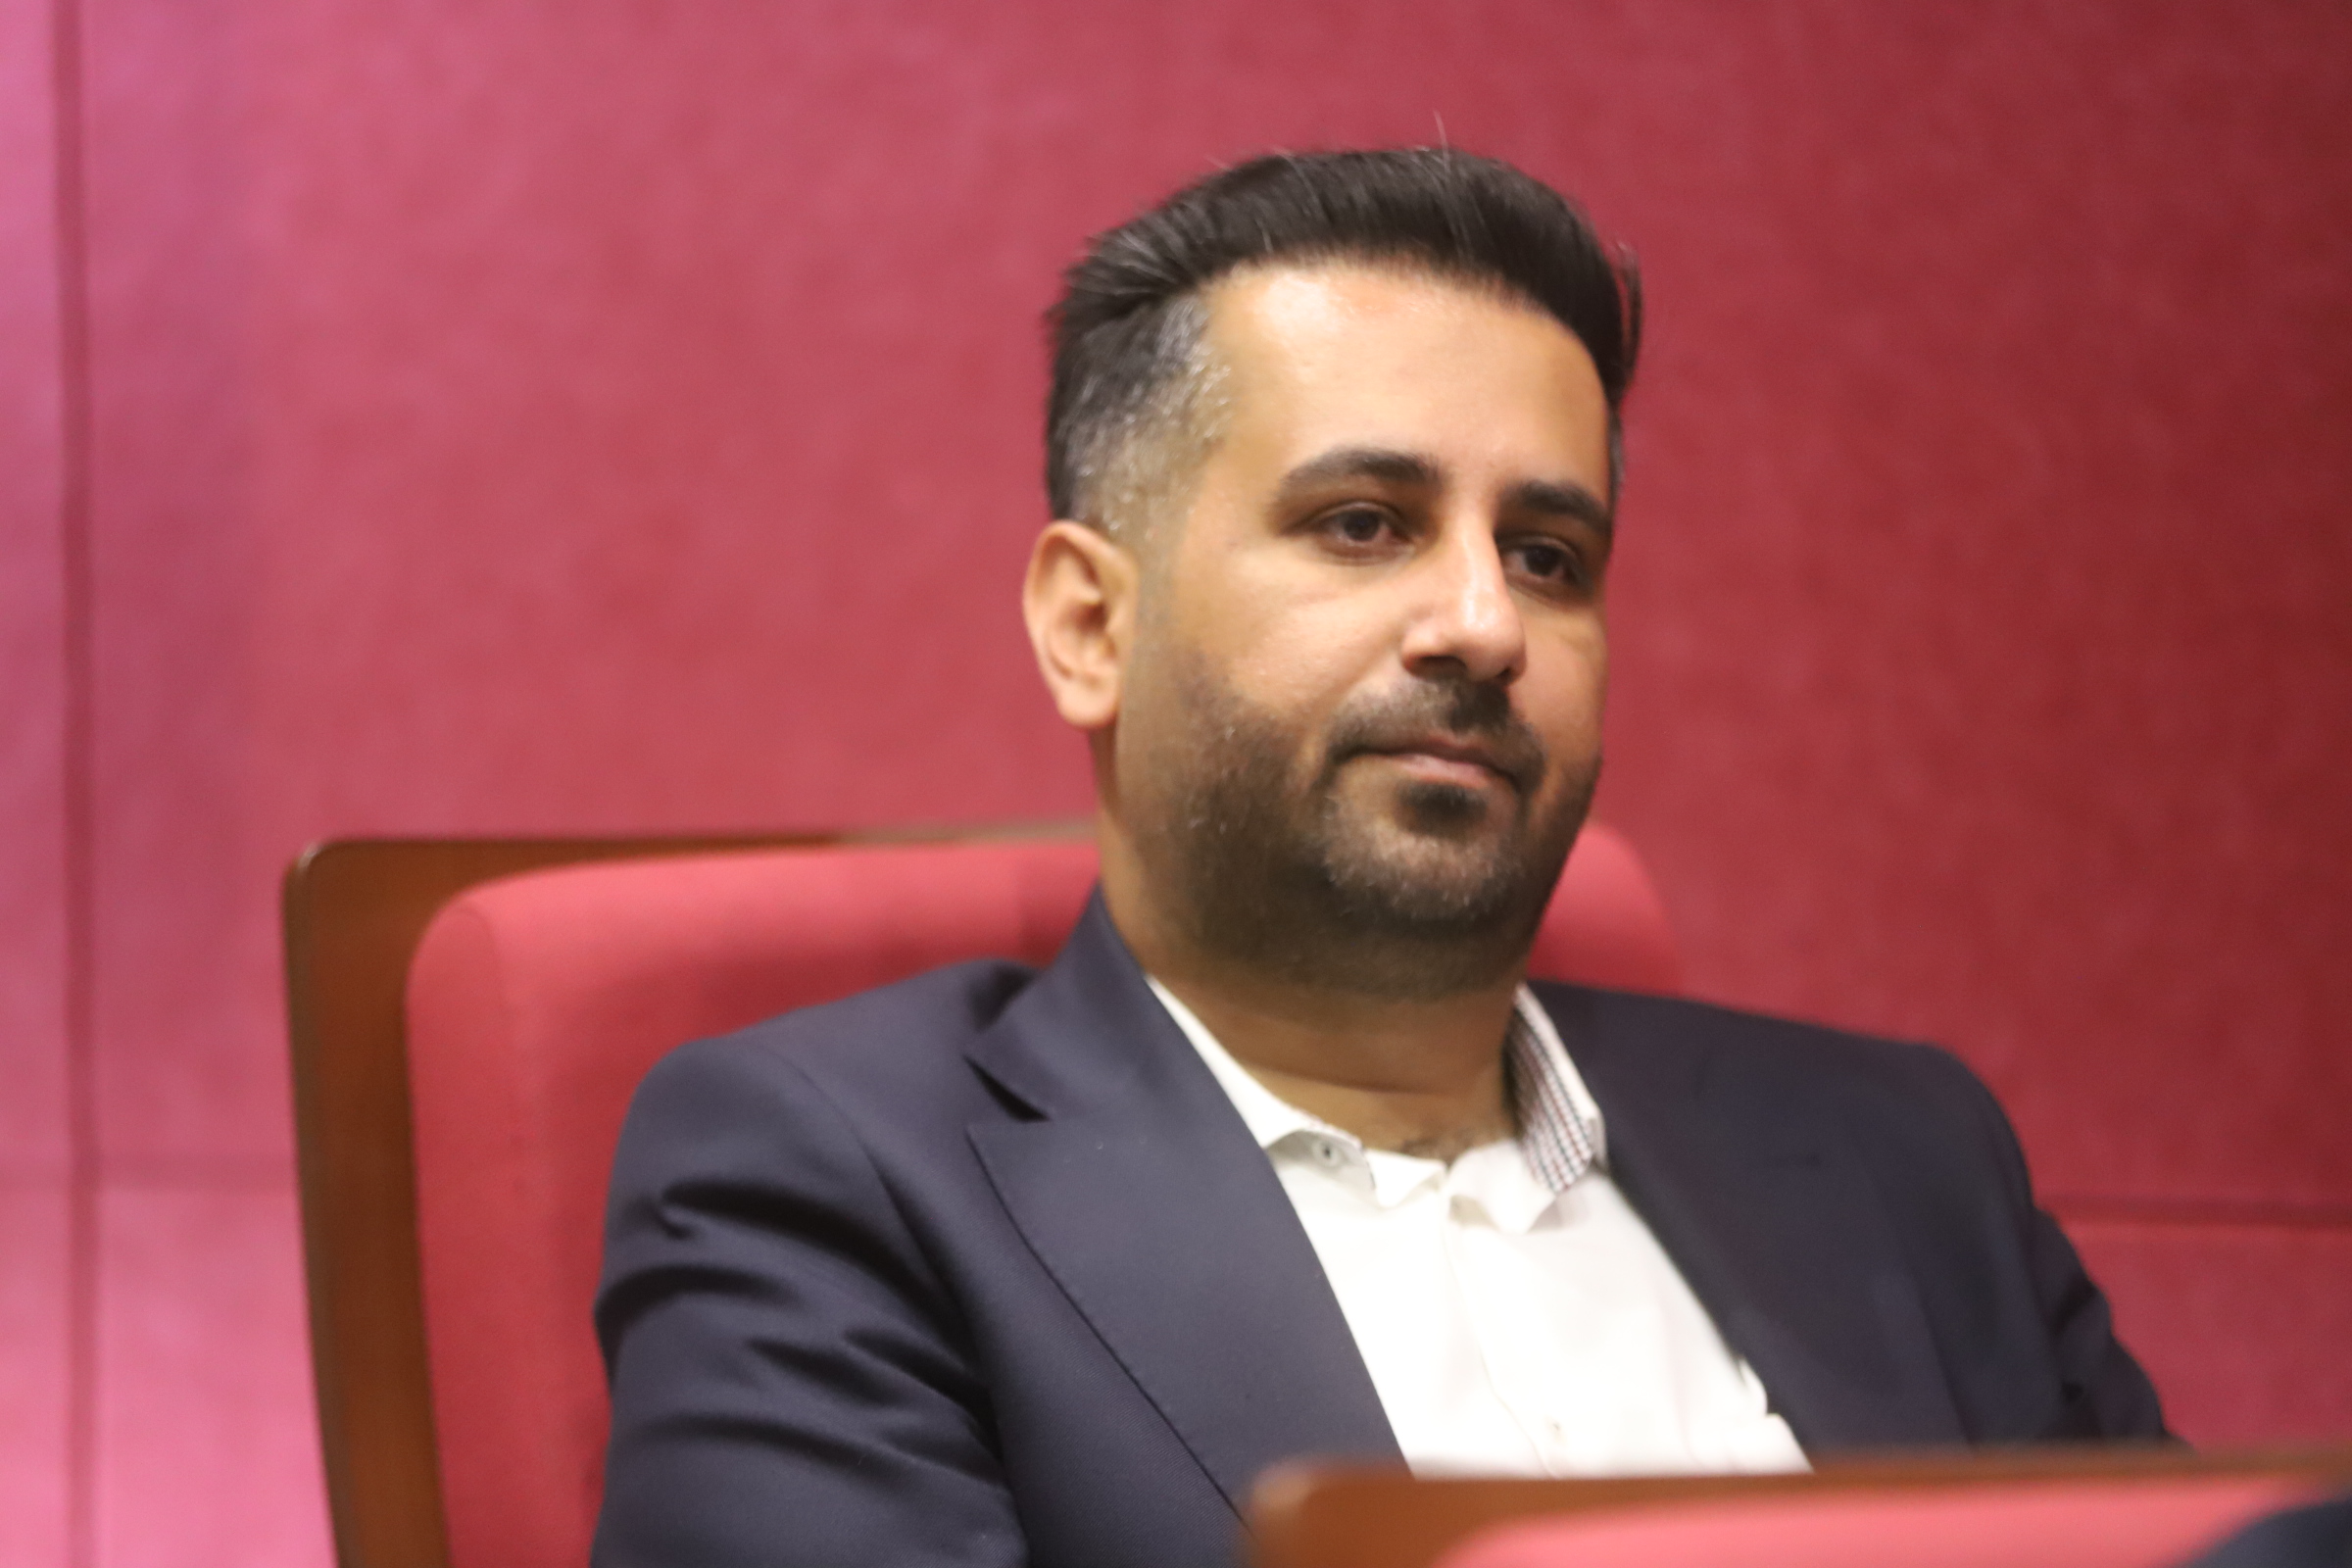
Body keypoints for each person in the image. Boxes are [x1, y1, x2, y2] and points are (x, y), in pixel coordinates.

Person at [591, 149, 2165, 1568]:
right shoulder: (828, 1184)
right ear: (1091, 626)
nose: (1484, 625)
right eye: (1364, 523)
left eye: (1547, 556)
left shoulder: (1908, 1156)